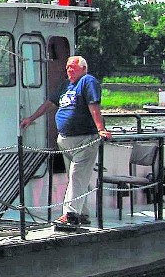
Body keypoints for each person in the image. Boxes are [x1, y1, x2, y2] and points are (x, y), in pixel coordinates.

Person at [20, 55, 111, 227]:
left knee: (77, 176)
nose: (70, 70)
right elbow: (50, 103)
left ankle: (70, 215)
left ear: (83, 68)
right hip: (66, 140)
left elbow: (94, 105)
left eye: (73, 67)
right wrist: (31, 118)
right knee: (75, 178)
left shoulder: (88, 81)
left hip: (84, 139)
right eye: (68, 67)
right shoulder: (65, 85)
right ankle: (82, 213)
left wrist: (100, 129)